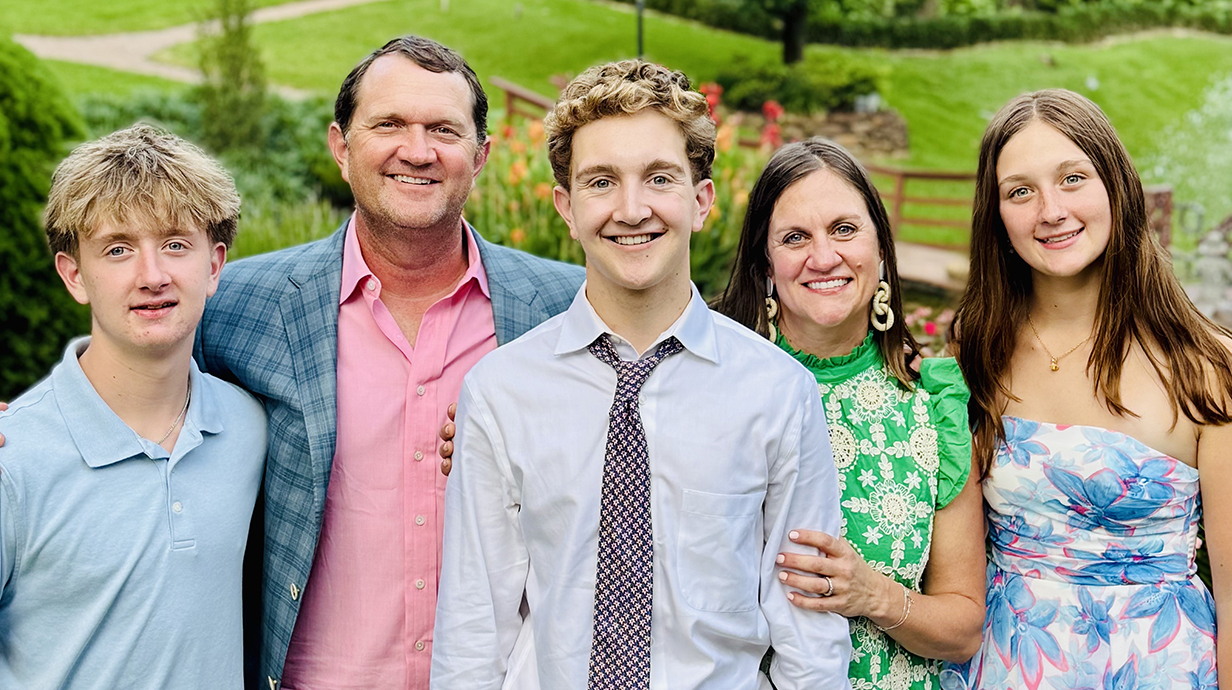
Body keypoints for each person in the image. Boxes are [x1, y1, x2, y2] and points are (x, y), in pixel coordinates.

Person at [430, 61, 852, 689]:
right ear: (567, 208)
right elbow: (472, 627)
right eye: (602, 182)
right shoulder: (500, 392)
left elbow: (808, 637)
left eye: (659, 178)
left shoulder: (778, 392)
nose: (631, 210)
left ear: (701, 201)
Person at [192, 36, 583, 689]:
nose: (418, 150)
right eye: (389, 125)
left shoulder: (564, 309)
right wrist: (39, 428)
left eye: (444, 130)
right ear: (341, 148)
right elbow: (147, 411)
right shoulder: (235, 307)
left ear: (481, 156)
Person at [943, 89, 1232, 689]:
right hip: (1007, 665)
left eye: (1072, 178)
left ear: (1116, 187)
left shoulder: (1207, 368)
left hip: (1157, 667)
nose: (1051, 210)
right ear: (996, 214)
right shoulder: (977, 350)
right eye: (1020, 191)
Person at [0, 124, 266, 687]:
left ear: (214, 266)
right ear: (75, 276)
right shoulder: (11, 460)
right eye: (118, 250)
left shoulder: (249, 427)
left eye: (176, 244)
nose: (152, 276)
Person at [715, 138, 985, 689]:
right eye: (795, 238)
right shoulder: (718, 392)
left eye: (843, 229)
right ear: (765, 263)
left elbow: (963, 629)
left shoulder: (932, 404)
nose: (823, 257)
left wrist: (873, 595)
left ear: (881, 247)